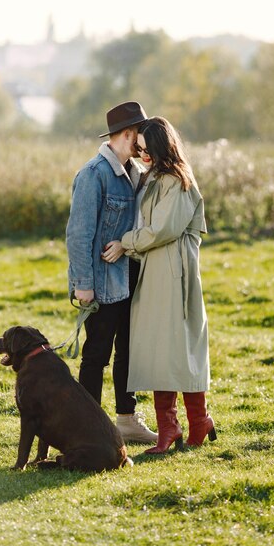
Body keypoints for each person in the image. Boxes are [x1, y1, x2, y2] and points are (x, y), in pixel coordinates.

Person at [102, 116, 216, 454]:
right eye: (139, 149)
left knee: (175, 348)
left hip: (172, 271)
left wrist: (125, 242)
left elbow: (161, 229)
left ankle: (191, 423)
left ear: (162, 146)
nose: (142, 154)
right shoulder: (154, 178)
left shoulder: (177, 182)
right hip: (156, 269)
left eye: (147, 148)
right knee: (158, 349)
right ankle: (178, 426)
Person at [66, 101, 157, 444]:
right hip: (102, 285)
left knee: (129, 351)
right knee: (97, 355)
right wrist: (83, 285)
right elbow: (78, 234)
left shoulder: (135, 172)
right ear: (128, 134)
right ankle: (87, 424)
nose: (143, 143)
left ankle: (126, 420)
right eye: (140, 136)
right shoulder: (93, 174)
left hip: (131, 278)